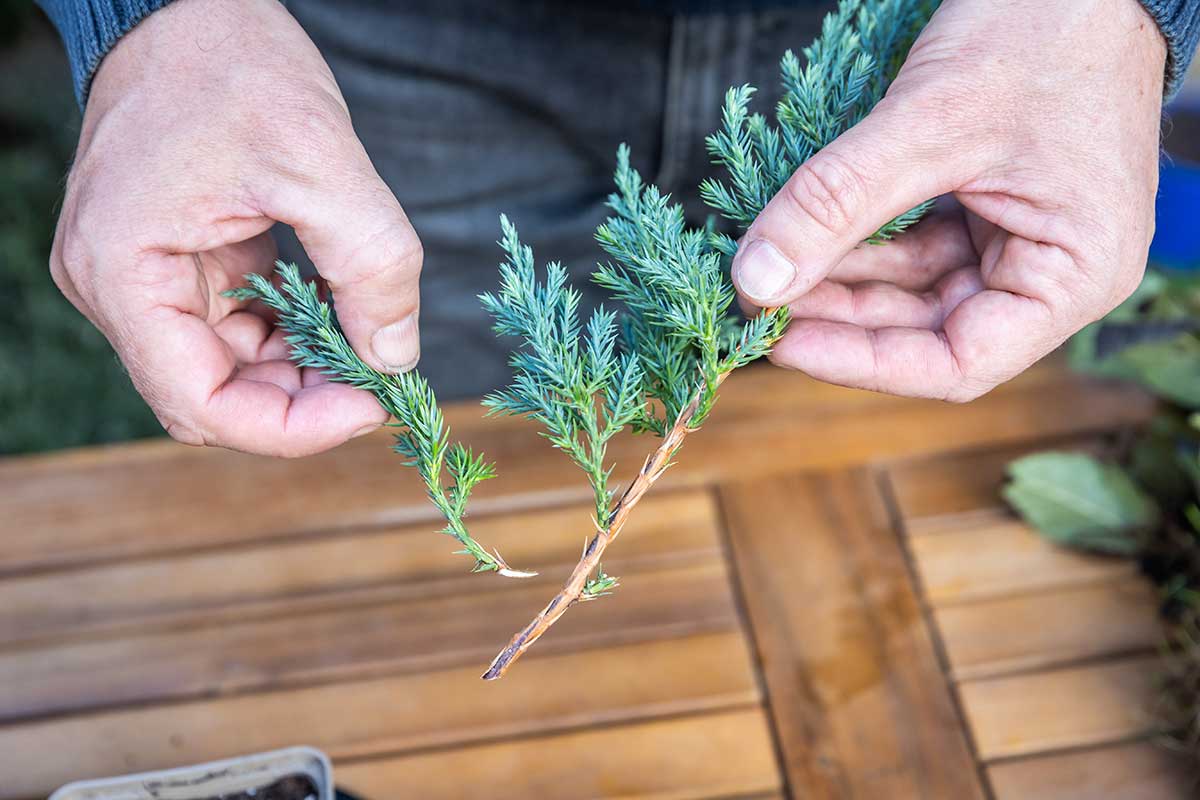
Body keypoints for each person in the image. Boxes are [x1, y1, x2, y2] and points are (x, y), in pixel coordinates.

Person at [35, 0, 1200, 457]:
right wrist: (156, 22)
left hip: (936, 38)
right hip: (383, 48)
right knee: (378, 409)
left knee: (876, 410)